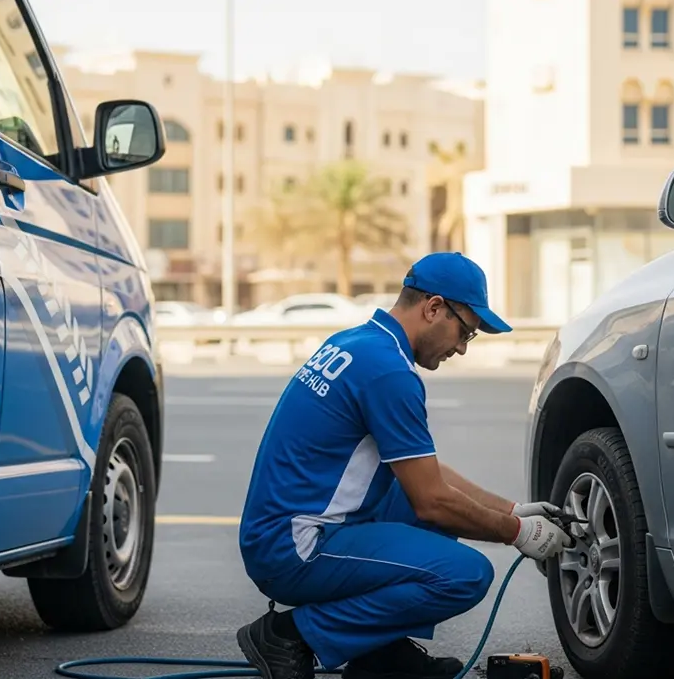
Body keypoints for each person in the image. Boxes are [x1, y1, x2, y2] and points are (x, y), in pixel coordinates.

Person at [236, 252, 572, 679]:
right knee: (465, 575)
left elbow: (423, 474)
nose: (463, 348)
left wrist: (511, 510)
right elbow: (432, 500)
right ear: (433, 308)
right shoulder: (389, 373)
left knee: (427, 508)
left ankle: (378, 654)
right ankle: (290, 634)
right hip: (297, 547)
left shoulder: (357, 343)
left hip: (279, 533)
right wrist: (517, 534)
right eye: (465, 330)